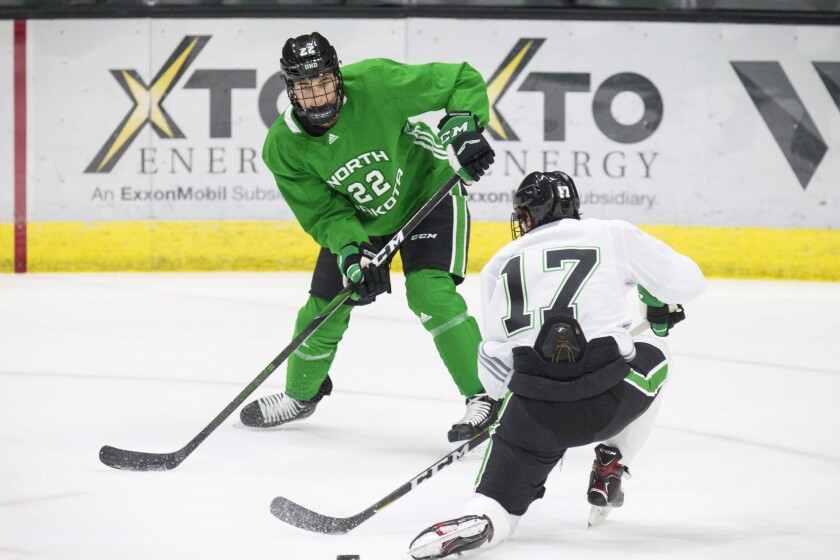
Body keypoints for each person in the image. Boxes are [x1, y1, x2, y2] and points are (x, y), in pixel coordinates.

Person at [408, 171, 706, 558]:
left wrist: (515, 407)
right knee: (654, 350)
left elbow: (494, 369)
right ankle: (613, 462)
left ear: (528, 215)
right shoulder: (612, 233)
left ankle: (484, 518)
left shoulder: (501, 262)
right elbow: (689, 282)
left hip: (534, 416)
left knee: (495, 505)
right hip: (609, 401)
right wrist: (653, 298)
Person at [239, 32, 500, 442]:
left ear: (338, 76)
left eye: (323, 82)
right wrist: (351, 252)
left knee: (430, 293)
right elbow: (324, 212)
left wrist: (463, 128)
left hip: (429, 194)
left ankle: (485, 396)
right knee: (324, 308)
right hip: (362, 222)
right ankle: (300, 395)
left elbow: (458, 78)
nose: (317, 96)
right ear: (289, 90)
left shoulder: (376, 83)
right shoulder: (283, 148)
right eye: (305, 86)